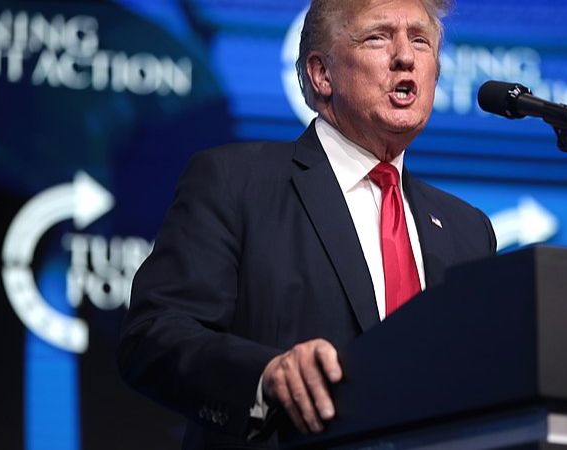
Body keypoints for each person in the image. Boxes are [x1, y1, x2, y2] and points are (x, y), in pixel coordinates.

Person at [117, 0, 496, 448]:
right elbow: (154, 336)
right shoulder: (235, 183)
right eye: (377, 37)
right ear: (321, 74)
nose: (405, 56)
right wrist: (265, 375)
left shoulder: (467, 230)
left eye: (420, 40)